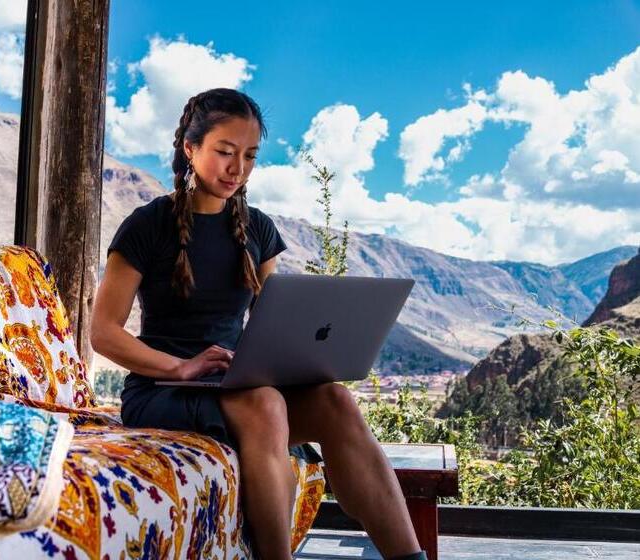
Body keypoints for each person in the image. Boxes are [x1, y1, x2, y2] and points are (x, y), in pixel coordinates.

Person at [90, 88, 425, 560]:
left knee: (335, 400)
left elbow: (277, 323)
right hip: (163, 389)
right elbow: (103, 331)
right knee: (266, 404)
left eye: (249, 156)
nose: (238, 169)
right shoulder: (147, 225)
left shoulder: (258, 228)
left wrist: (306, 360)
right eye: (225, 152)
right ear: (191, 148)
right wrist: (180, 367)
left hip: (236, 386)